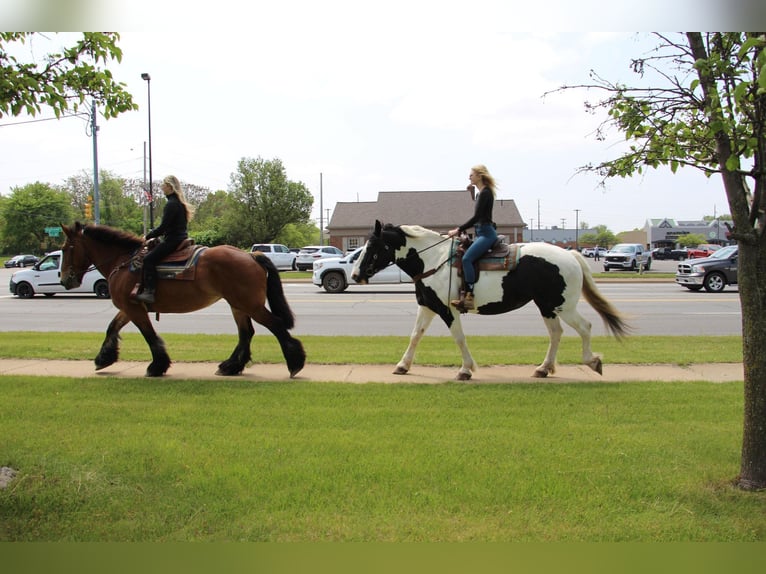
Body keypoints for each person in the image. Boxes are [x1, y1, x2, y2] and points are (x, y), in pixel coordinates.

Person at [135, 175, 194, 304]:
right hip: (180, 238)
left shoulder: (171, 204)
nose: (162, 187)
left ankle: (149, 292)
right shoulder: (179, 204)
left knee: (148, 259)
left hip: (173, 240)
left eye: (164, 185)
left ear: (170, 187)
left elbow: (163, 228)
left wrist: (148, 236)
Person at [447, 164, 497, 311]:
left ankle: (469, 295)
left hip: (486, 234)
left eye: (472, 174)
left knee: (467, 259)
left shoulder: (486, 193)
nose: (469, 177)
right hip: (480, 232)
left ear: (479, 176)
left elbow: (477, 217)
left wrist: (458, 229)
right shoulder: (481, 193)